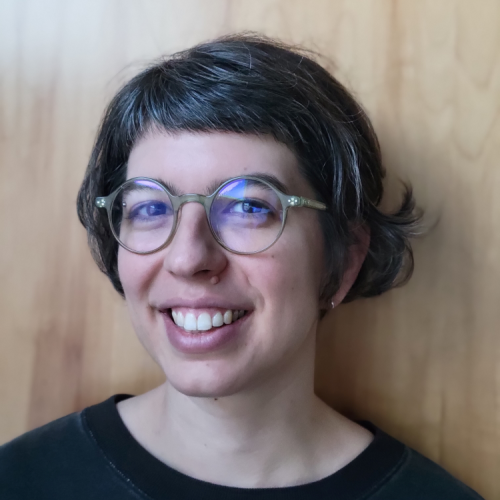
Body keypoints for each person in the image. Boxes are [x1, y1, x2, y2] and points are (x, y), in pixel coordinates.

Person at [0, 34, 483, 500]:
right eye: (150, 207)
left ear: (346, 257)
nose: (189, 258)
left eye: (249, 207)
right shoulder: (19, 482)